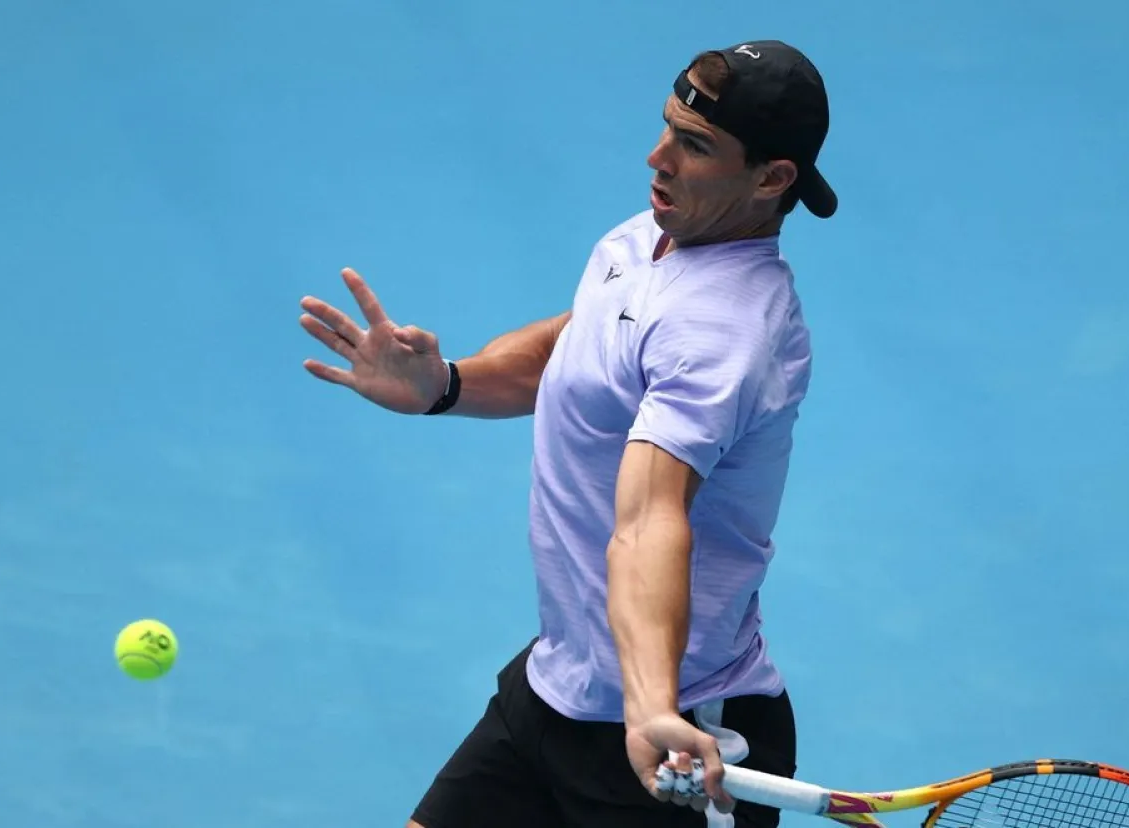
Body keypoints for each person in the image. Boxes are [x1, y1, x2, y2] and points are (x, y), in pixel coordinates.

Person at [298, 39, 837, 828]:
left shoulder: (723, 334)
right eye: (667, 126)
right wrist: (447, 384)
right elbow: (580, 344)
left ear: (772, 178)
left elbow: (649, 520)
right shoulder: (648, 238)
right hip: (558, 688)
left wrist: (648, 707)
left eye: (694, 146)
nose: (657, 157)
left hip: (678, 737)